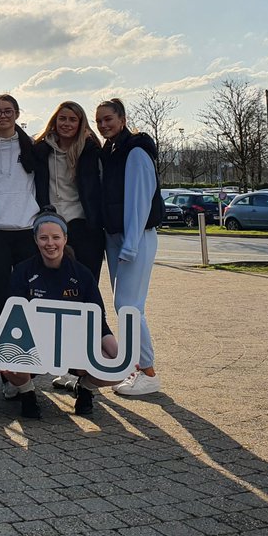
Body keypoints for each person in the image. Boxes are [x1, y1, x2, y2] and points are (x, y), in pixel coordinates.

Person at [1, 213, 119, 418]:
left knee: (116, 369)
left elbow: (98, 323)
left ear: (65, 239)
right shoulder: (22, 271)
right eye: (44, 238)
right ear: (35, 240)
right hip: (35, 347)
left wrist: (121, 357)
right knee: (9, 363)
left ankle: (85, 389)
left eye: (56, 237)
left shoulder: (82, 274)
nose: (50, 243)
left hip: (74, 348)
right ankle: (27, 393)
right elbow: (13, 321)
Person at [97, 98, 162, 397]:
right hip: (117, 237)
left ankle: (147, 372)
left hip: (133, 237)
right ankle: (140, 367)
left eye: (108, 119)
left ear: (122, 119)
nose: (103, 125)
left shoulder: (135, 151)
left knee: (128, 306)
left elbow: (139, 201)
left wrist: (130, 245)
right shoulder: (111, 151)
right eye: (99, 121)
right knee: (128, 305)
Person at [0, 94, 41, 310]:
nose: (2, 115)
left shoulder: (31, 146)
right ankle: (1, 337)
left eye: (7, 111)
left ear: (17, 114)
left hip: (27, 226)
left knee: (29, 289)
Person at [32, 101, 105, 283]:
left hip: (83, 224)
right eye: (62, 118)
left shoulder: (91, 151)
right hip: (52, 221)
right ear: (54, 121)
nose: (66, 123)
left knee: (85, 281)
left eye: (73, 120)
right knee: (53, 282)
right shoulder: (41, 150)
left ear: (80, 124)